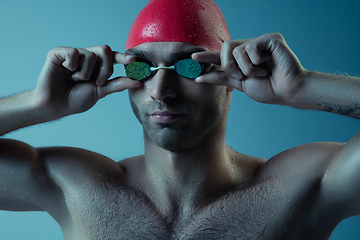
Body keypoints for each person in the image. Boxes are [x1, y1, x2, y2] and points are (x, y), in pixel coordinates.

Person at [1, 0, 360, 239]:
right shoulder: (75, 187)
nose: (161, 90)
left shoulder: (302, 189)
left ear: (230, 77)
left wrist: (302, 87)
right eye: (141, 68)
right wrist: (39, 104)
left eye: (189, 67)